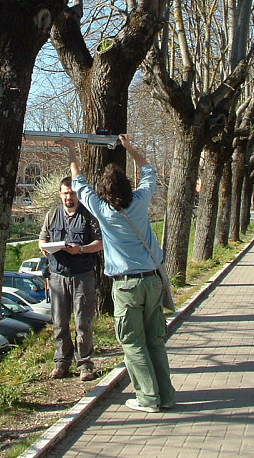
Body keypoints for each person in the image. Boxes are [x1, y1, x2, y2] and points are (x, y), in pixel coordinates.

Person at [57, 134, 175, 413]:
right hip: (152, 280)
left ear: (103, 192)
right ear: (128, 186)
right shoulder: (141, 201)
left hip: (126, 286)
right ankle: (165, 394)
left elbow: (78, 182)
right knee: (155, 339)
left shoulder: (101, 210)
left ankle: (147, 398)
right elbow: (149, 171)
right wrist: (130, 147)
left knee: (133, 342)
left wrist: (72, 150)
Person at [39, 177, 103, 381]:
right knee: (59, 322)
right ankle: (61, 363)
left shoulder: (88, 215)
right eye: (65, 193)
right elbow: (43, 238)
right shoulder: (52, 214)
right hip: (57, 276)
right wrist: (44, 247)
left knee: (83, 321)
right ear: (60, 194)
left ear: (78, 195)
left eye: (72, 193)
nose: (69, 196)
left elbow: (101, 243)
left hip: (82, 275)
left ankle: (85, 364)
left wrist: (82, 249)